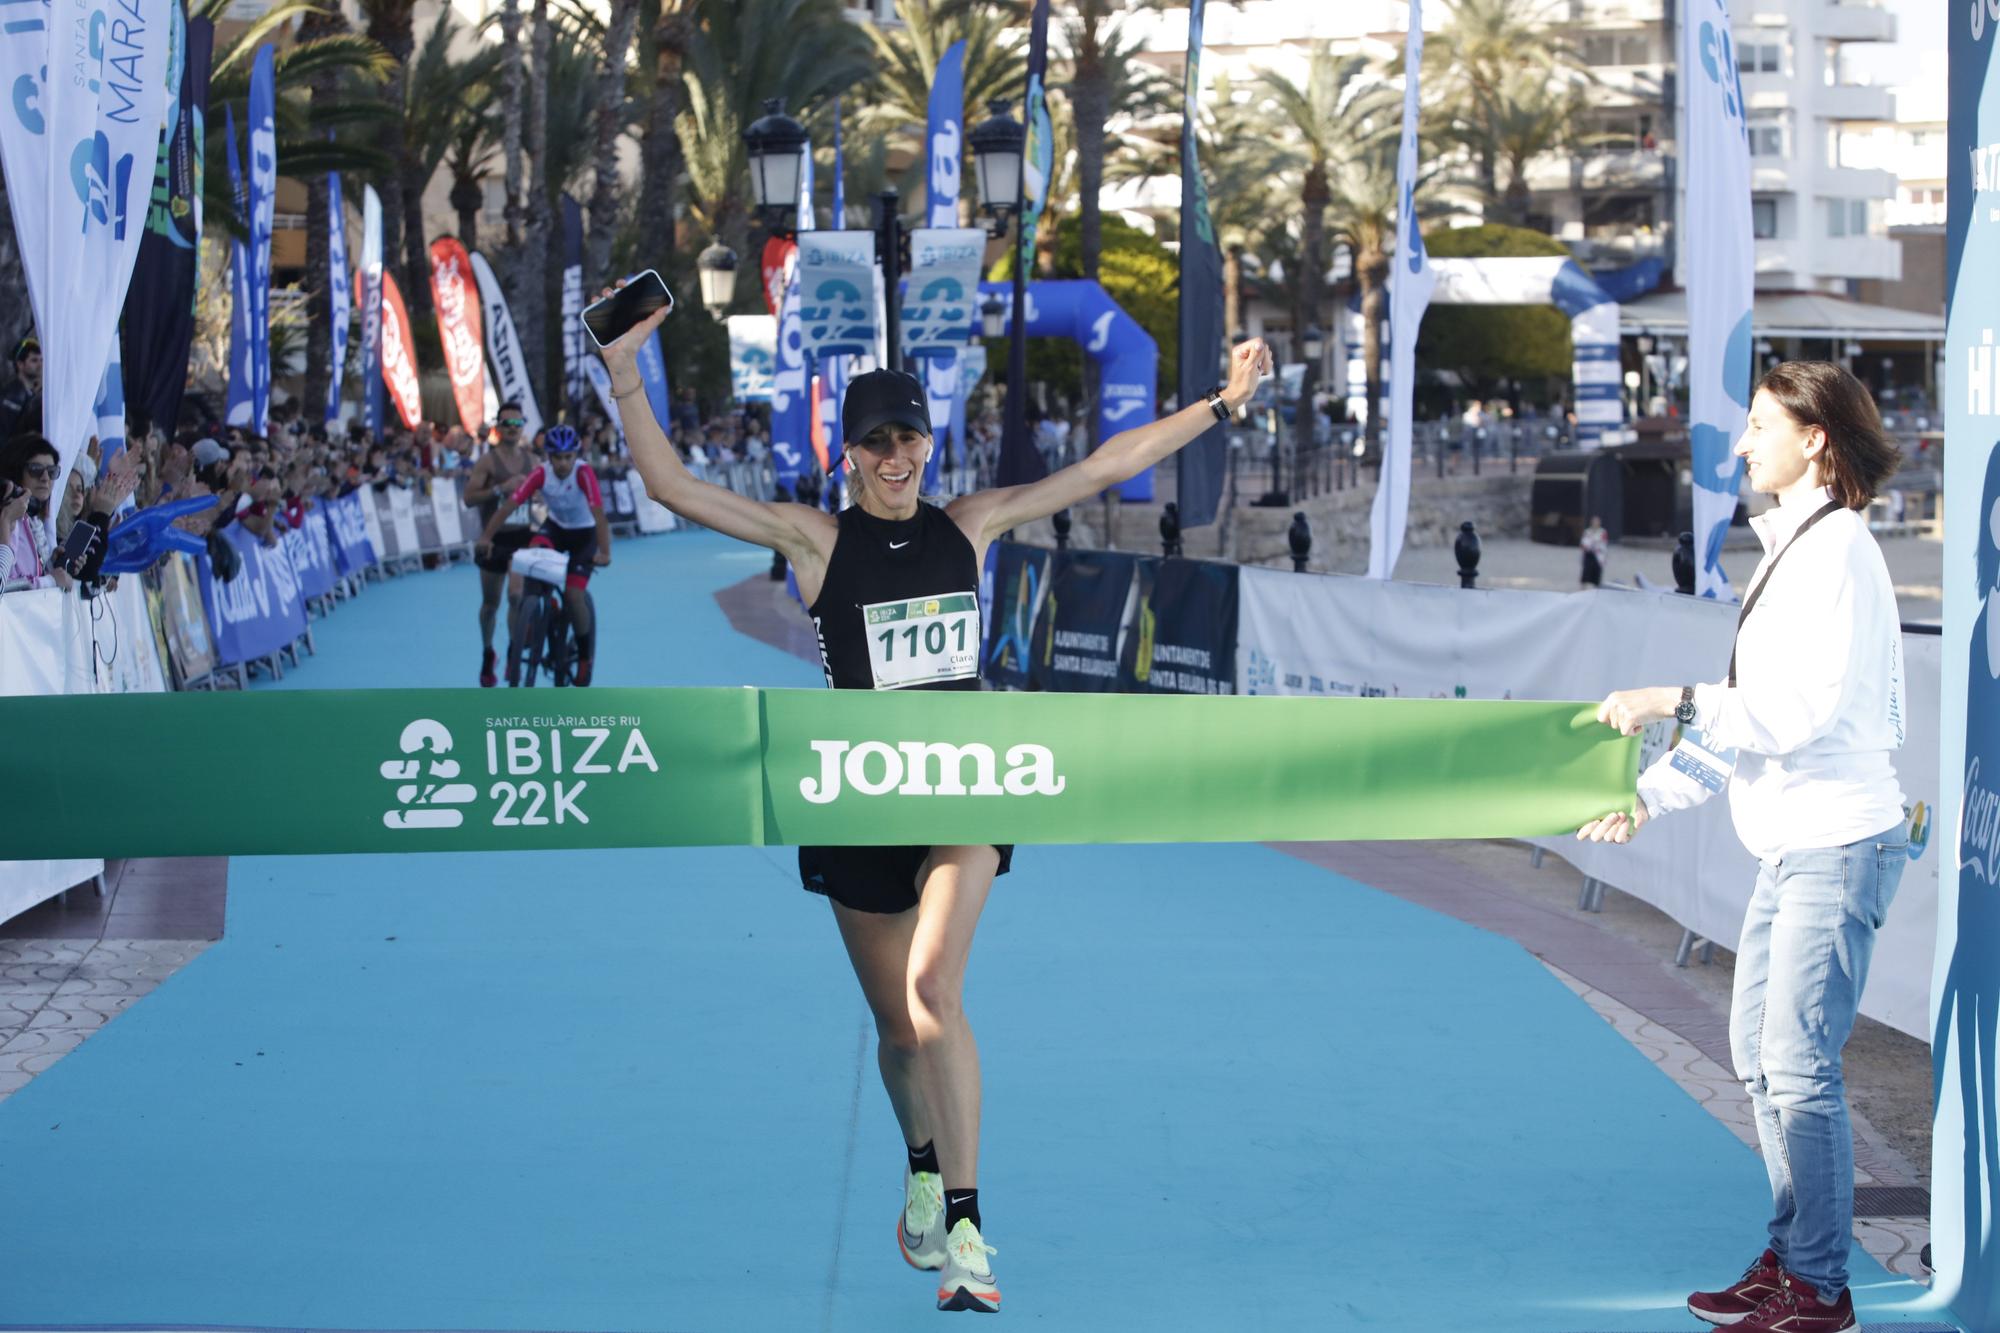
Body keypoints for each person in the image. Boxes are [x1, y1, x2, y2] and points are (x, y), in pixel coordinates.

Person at [592, 277, 1272, 1315]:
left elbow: (1103, 464)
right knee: (896, 1032)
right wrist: (624, 372)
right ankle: (918, 1163)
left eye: (907, 436)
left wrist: (1218, 405)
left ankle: (965, 1225)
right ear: (848, 455)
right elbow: (678, 489)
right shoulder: (814, 541)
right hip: (855, 802)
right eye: (874, 443)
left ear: (927, 440)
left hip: (961, 785)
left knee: (932, 994)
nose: (895, 456)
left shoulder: (972, 522)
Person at [1578, 361, 1907, 1333]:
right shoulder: (1793, 545)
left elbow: (1794, 713)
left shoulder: (1835, 546)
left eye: (1759, 423)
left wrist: (1665, 696)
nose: (1741, 441)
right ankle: (1792, 1259)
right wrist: (1645, 795)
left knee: (1795, 1063)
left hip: (1834, 840)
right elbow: (1743, 727)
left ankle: (1817, 1287)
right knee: (1760, 1060)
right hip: (1794, 843)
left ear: (1814, 437)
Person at [475, 423, 611, 687]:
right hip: (556, 529)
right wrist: (486, 537)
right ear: (549, 457)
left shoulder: (583, 473)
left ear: (576, 455)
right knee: (532, 565)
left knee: (574, 595)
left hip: (584, 535)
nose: (563, 463)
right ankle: (537, 611)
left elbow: (599, 516)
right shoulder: (540, 473)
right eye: (557, 458)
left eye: (568, 457)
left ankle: (584, 657)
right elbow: (509, 507)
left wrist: (604, 552)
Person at [462, 402, 539, 686]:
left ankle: (512, 650)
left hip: (523, 536)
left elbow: (547, 495)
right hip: (493, 539)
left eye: (517, 424)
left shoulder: (533, 461)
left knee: (516, 595)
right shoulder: (488, 462)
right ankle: (487, 652)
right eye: (507, 424)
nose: (512, 429)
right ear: (498, 427)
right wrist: (499, 489)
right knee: (490, 604)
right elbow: (468, 498)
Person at [0, 337, 42, 438]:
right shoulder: (12, 396)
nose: (40, 365)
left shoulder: (29, 394)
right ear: (20, 364)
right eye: (34, 360)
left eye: (41, 360)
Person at [1579, 514, 1609, 588]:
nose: (1595, 523)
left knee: (1597, 572)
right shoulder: (1587, 531)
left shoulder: (1602, 532)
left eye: (1597, 522)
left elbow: (1603, 543)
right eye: (1594, 522)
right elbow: (1584, 543)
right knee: (1586, 571)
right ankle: (1584, 587)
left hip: (1598, 554)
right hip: (1589, 554)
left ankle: (1596, 588)